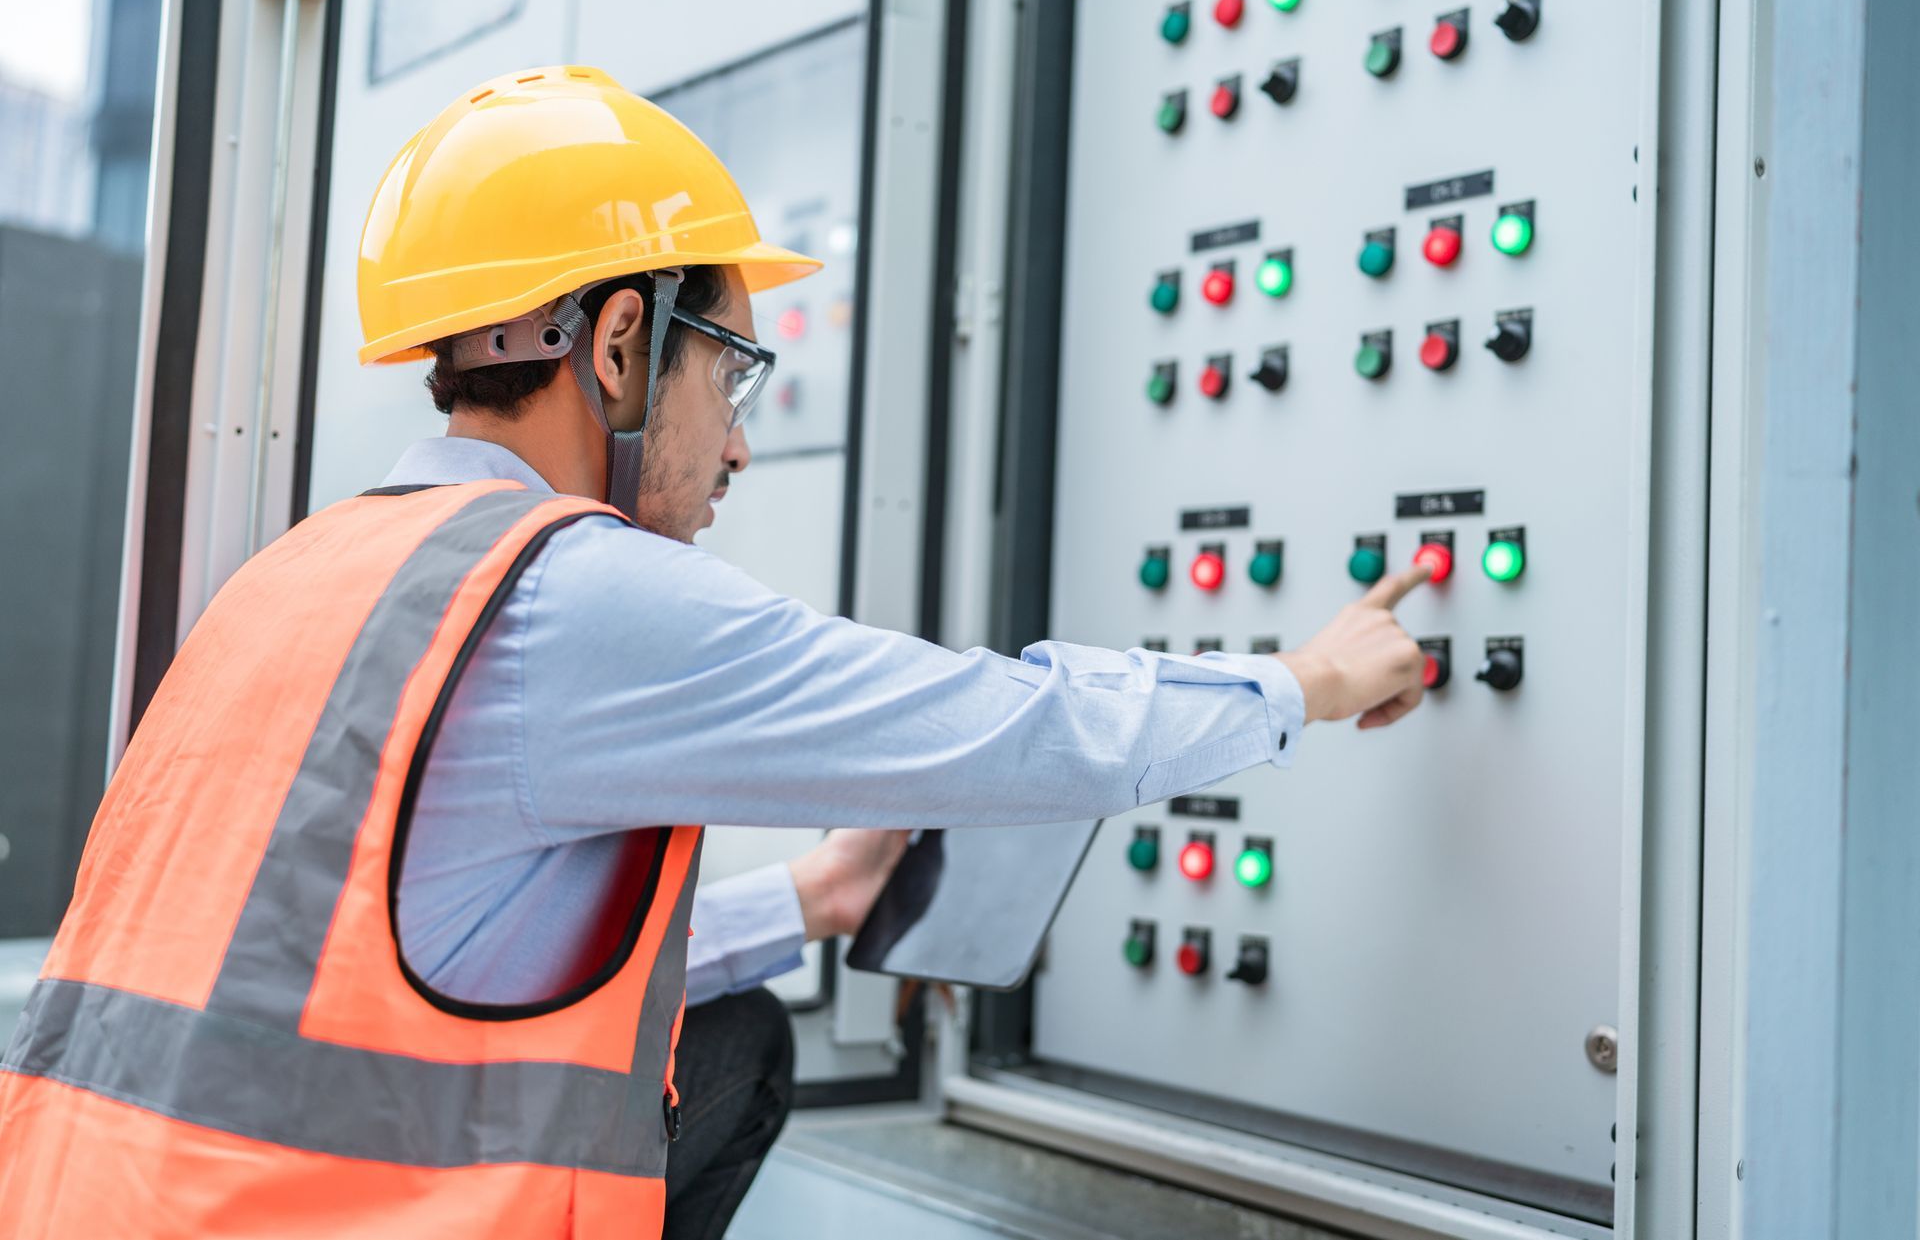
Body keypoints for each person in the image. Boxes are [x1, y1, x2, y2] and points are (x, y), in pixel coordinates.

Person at [0, 66, 1430, 1240]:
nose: (739, 438)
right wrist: (1301, 685)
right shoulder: (568, 591)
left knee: (727, 1016)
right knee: (740, 1054)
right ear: (621, 343)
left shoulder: (304, 573)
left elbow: (422, 978)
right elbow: (1002, 725)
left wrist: (816, 894)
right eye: (729, 369)